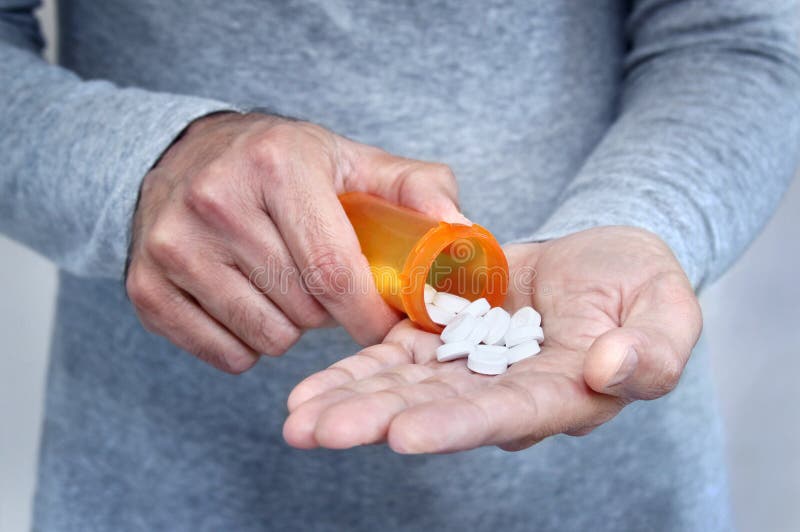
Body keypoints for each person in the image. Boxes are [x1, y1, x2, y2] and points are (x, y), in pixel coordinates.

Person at [2, 1, 798, 530]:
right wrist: (145, 166)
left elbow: (738, 36)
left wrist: (636, 223)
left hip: (597, 482)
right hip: (164, 482)